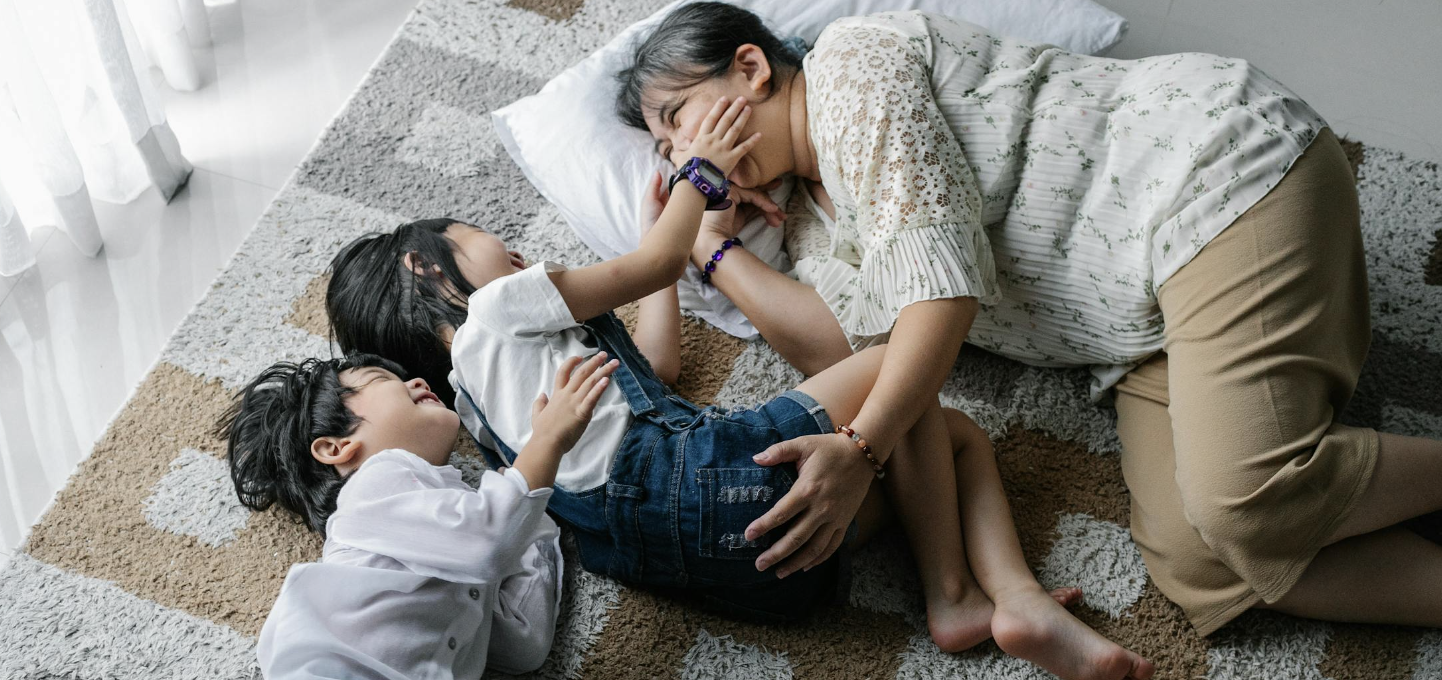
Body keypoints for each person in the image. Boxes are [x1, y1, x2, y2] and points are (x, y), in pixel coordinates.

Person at [616, 1, 1442, 636]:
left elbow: (942, 299)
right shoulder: (804, 227)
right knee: (1202, 565)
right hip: (1134, 327)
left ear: (751, 67)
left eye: (676, 121)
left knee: (1240, 501)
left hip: (1214, 176)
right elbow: (851, 352)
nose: (678, 157)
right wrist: (712, 246)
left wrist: (862, 448)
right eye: (663, 153)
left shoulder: (852, 68)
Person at [324, 98, 1154, 679]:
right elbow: (647, 269)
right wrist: (700, 177)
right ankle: (958, 589)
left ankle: (988, 605)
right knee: (901, 365)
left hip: (732, 563)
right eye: (493, 243)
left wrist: (673, 241)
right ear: (421, 264)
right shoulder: (500, 310)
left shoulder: (483, 412)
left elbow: (660, 367)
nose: (514, 253)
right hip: (712, 476)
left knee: (950, 441)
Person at [218, 353, 611, 678]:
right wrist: (545, 442)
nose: (418, 381)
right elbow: (489, 543)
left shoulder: (454, 533)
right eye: (382, 378)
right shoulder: (371, 487)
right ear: (337, 448)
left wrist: (531, 510)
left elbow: (522, 644)